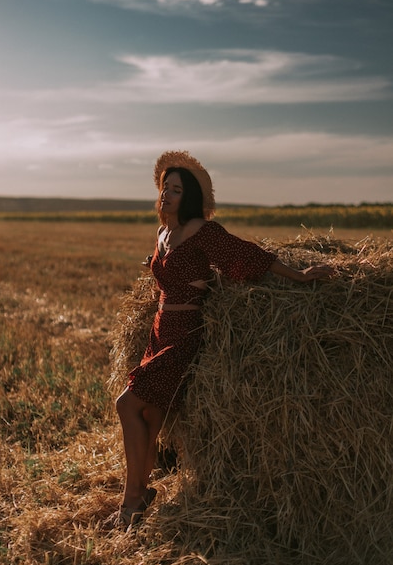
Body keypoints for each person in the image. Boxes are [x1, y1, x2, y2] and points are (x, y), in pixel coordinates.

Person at [107, 150, 334, 530]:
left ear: (190, 197)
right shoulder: (164, 232)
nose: (167, 195)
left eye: (176, 190)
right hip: (158, 330)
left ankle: (131, 502)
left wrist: (299, 275)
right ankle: (144, 493)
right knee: (149, 414)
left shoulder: (204, 232)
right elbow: (165, 272)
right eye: (165, 188)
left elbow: (246, 254)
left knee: (127, 405)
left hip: (183, 336)